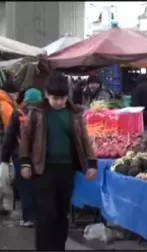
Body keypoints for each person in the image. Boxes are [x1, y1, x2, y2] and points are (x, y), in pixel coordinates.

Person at [19, 73, 97, 250]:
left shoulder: (75, 113)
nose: (59, 102)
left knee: (62, 214)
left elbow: (84, 139)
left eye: (62, 98)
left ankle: (58, 247)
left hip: (66, 169)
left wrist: (91, 163)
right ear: (46, 94)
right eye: (55, 98)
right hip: (43, 169)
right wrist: (25, 162)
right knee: (46, 214)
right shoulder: (37, 111)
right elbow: (26, 137)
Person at [1, 88, 42, 227]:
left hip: (21, 156)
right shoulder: (44, 113)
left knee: (25, 187)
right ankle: (40, 217)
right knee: (39, 186)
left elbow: (10, 136)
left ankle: (28, 218)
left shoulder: (17, 113)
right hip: (40, 156)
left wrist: (4, 158)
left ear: (25, 99)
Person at [0, 80, 20, 215]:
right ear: (12, 93)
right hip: (1, 140)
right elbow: (10, 127)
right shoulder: (5, 105)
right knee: (3, 175)